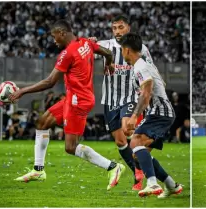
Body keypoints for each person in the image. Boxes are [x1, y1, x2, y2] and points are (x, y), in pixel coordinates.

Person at [9, 20, 125, 191]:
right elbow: (107, 52)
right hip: (74, 97)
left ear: (62, 33)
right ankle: (38, 170)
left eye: (54, 37)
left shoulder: (68, 53)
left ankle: (113, 167)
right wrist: (109, 63)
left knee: (70, 147)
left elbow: (50, 82)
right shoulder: (86, 42)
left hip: (78, 101)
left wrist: (22, 91)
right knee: (42, 122)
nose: (54, 41)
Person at [91, 16, 152, 190]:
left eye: (121, 27)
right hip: (110, 99)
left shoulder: (142, 49)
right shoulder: (106, 45)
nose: (117, 31)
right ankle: (137, 172)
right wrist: (90, 42)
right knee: (120, 141)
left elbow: (150, 71)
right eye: (114, 28)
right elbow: (86, 46)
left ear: (128, 28)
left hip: (130, 97)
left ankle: (142, 163)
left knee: (127, 128)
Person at [121, 33, 182, 198]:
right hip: (159, 111)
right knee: (139, 154)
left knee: (135, 142)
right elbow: (162, 83)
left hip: (160, 112)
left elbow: (146, 93)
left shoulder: (140, 66)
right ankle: (171, 185)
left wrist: (134, 116)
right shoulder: (144, 65)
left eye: (121, 50)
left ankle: (152, 183)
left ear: (126, 50)